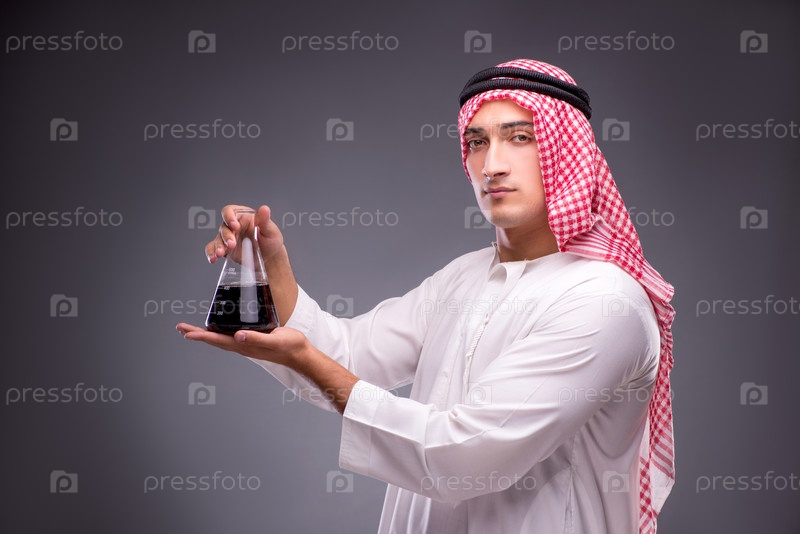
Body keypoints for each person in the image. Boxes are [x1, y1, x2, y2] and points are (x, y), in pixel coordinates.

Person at [177, 59, 676, 534]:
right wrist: (269, 270)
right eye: (476, 142)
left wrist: (306, 358)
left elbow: (464, 456)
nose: (492, 165)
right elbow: (349, 356)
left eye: (520, 137)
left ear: (569, 151)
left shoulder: (605, 301)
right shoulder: (463, 277)